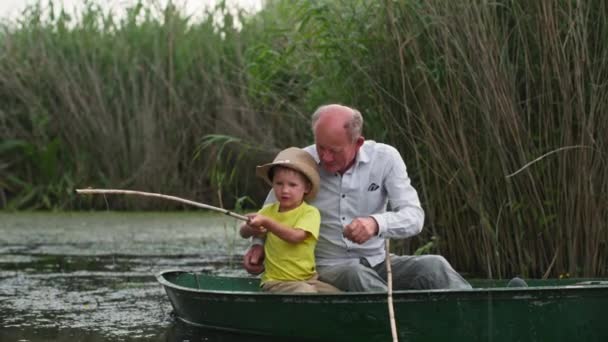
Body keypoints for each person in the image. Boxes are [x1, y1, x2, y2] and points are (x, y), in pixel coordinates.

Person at [242, 104, 472, 292]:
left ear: (358, 142)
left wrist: (375, 224)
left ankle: (475, 321)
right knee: (356, 275)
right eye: (321, 147)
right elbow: (270, 212)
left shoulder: (385, 158)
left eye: (334, 150)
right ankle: (400, 327)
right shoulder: (300, 163)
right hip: (327, 268)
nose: (325, 157)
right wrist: (257, 245)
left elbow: (415, 218)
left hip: (378, 261)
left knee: (435, 266)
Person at [240, 147, 340, 293]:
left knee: (336, 295)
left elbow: (296, 236)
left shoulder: (310, 213)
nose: (285, 190)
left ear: (306, 187)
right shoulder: (267, 211)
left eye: (292, 185)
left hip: (308, 279)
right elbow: (243, 232)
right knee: (305, 292)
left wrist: (267, 222)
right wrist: (250, 227)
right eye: (279, 184)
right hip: (276, 282)